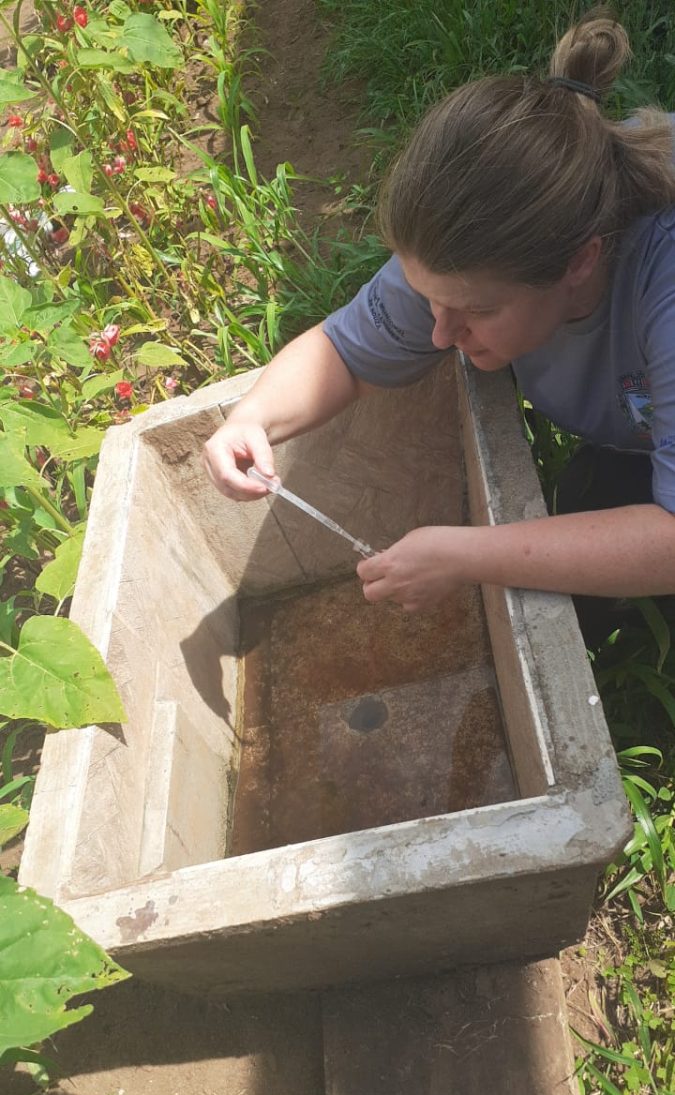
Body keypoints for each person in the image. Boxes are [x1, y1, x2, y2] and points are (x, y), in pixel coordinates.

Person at [202, 12, 675, 639]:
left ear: (581, 261)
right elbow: (340, 352)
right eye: (429, 300)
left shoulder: (661, 287)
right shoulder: (466, 263)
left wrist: (465, 554)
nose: (438, 335)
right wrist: (252, 420)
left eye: (478, 312)